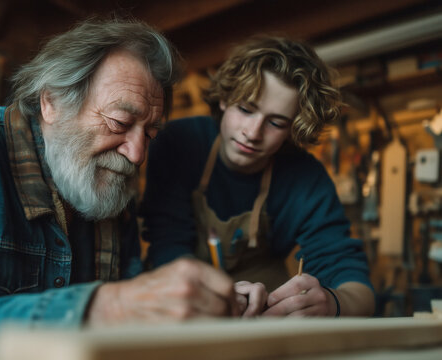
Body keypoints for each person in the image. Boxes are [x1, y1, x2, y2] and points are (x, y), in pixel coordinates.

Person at [0, 19, 249, 340]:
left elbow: (131, 331)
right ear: (51, 102)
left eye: (151, 134)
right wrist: (105, 308)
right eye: (118, 123)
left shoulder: (113, 186)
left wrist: (216, 309)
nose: (137, 155)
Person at [140, 35, 376, 317]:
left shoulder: (306, 178)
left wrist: (334, 302)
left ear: (293, 129)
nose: (252, 133)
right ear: (226, 99)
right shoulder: (179, 142)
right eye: (246, 109)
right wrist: (220, 297)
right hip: (186, 308)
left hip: (264, 317)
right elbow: (168, 244)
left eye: (276, 123)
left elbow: (357, 288)